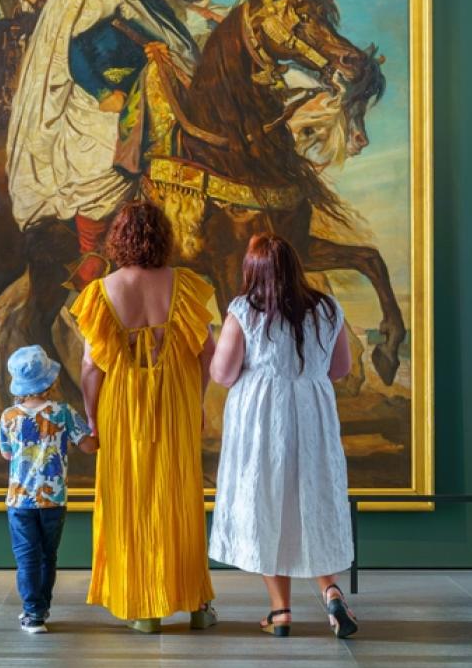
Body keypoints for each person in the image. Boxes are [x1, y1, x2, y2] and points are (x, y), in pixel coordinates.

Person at [6, 0, 200, 290]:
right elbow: (72, 51)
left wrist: (161, 55)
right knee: (106, 156)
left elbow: (177, 44)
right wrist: (102, 92)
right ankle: (92, 255)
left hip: (148, 89)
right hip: (94, 97)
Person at [69, 201, 217, 633]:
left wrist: (92, 414)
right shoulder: (185, 285)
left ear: (118, 240)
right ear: (163, 238)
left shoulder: (102, 291)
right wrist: (197, 400)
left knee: (128, 497)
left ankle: (145, 609)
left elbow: (91, 366)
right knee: (180, 497)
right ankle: (198, 605)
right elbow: (206, 353)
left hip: (122, 404)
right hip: (176, 402)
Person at [206, 233, 360, 639]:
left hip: (261, 419)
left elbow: (222, 373)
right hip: (312, 416)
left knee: (268, 502)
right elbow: (340, 368)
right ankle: (330, 591)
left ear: (253, 270)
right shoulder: (327, 308)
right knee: (311, 499)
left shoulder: (245, 309)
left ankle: (281, 612)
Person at [0, 345, 98, 634]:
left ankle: (32, 613)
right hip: (54, 500)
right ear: (49, 382)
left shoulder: (8, 416)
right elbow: (89, 446)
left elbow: (6, 454)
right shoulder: (63, 413)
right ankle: (40, 609)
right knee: (47, 556)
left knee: (26, 558)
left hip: (19, 502)